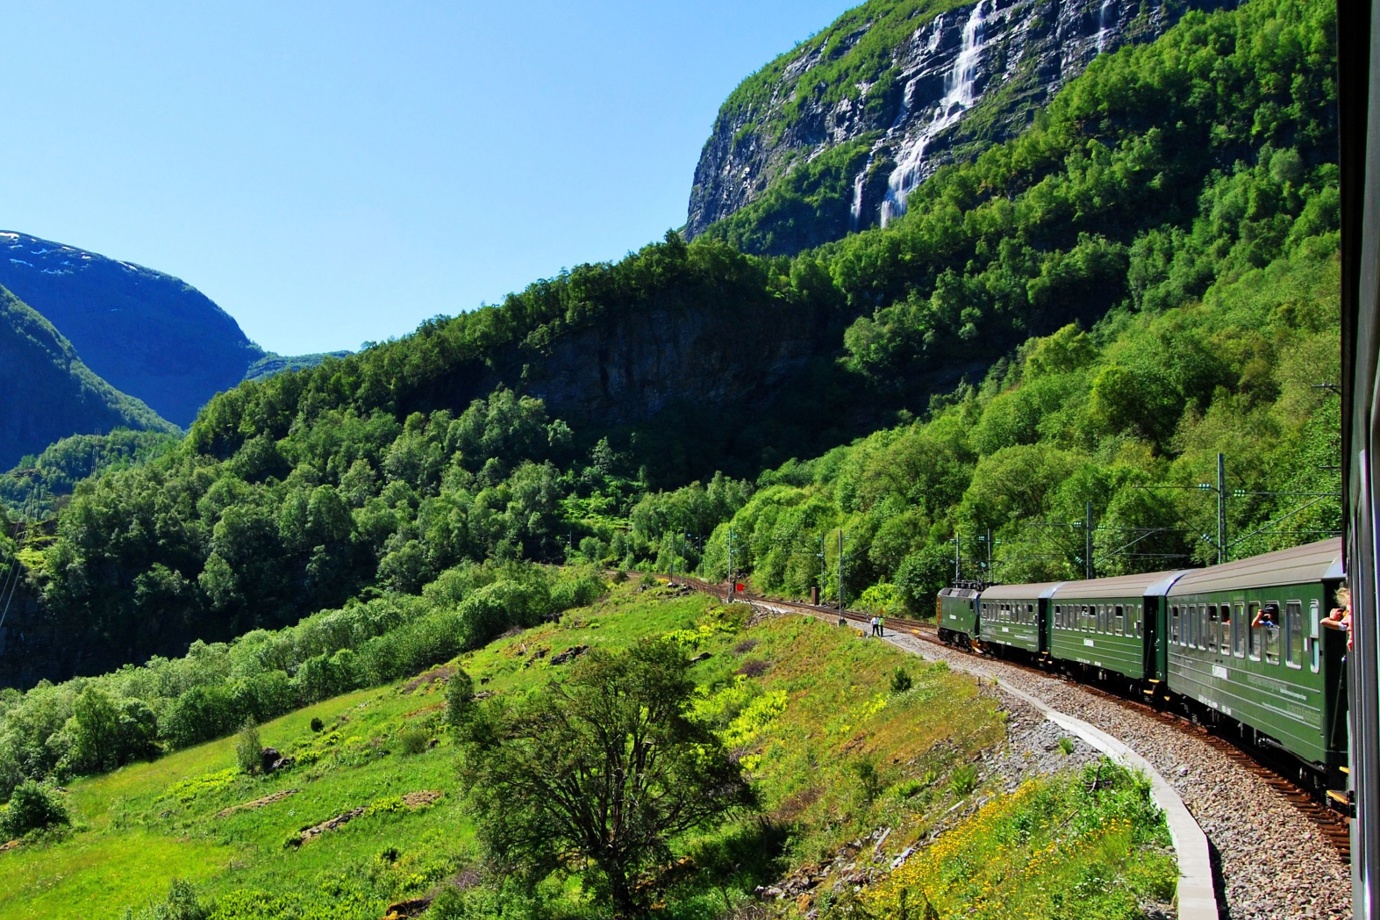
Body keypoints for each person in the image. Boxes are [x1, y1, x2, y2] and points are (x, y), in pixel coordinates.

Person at [1324, 584, 1353, 651]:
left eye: (1349, 613)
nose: (1344, 621)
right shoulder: (1346, 624)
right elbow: (1323, 621)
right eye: (1345, 613)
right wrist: (1332, 619)